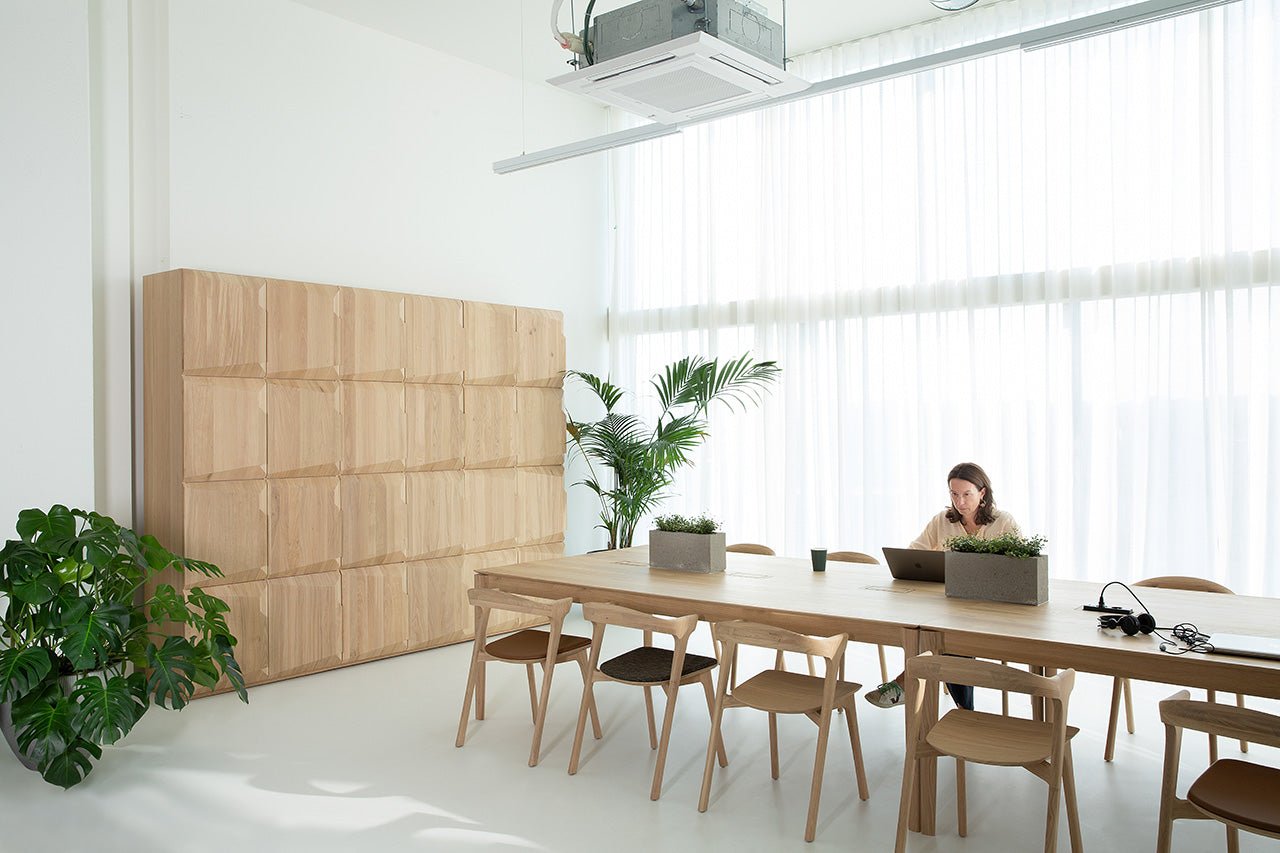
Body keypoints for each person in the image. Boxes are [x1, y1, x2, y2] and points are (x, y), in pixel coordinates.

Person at [866, 462, 1020, 711]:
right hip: (954, 604)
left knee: (946, 635)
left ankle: (907, 684)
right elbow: (915, 553)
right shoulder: (943, 520)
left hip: (992, 609)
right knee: (932, 629)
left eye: (966, 494)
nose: (960, 502)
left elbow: (1019, 568)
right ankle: (962, 710)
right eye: (954, 494)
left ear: (982, 493)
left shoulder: (1003, 522)